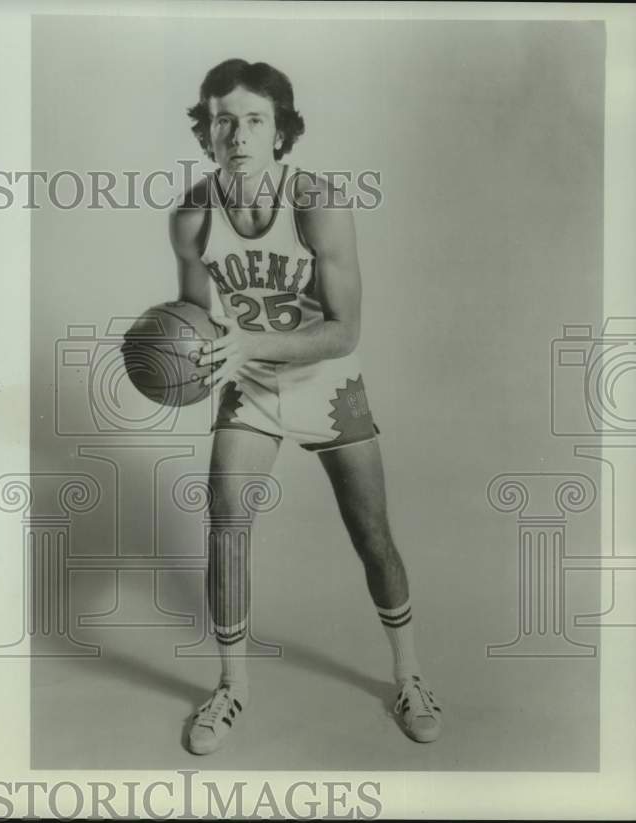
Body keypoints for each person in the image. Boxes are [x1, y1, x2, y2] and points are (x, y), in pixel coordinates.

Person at [170, 58, 440, 754]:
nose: (237, 134)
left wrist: (242, 343)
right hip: (251, 383)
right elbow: (197, 322)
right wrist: (172, 356)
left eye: (254, 120)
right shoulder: (193, 217)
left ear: (281, 132)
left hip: (327, 382)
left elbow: (344, 330)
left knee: (371, 534)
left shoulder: (319, 204)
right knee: (225, 527)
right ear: (207, 132)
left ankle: (410, 674)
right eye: (223, 120)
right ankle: (233, 686)